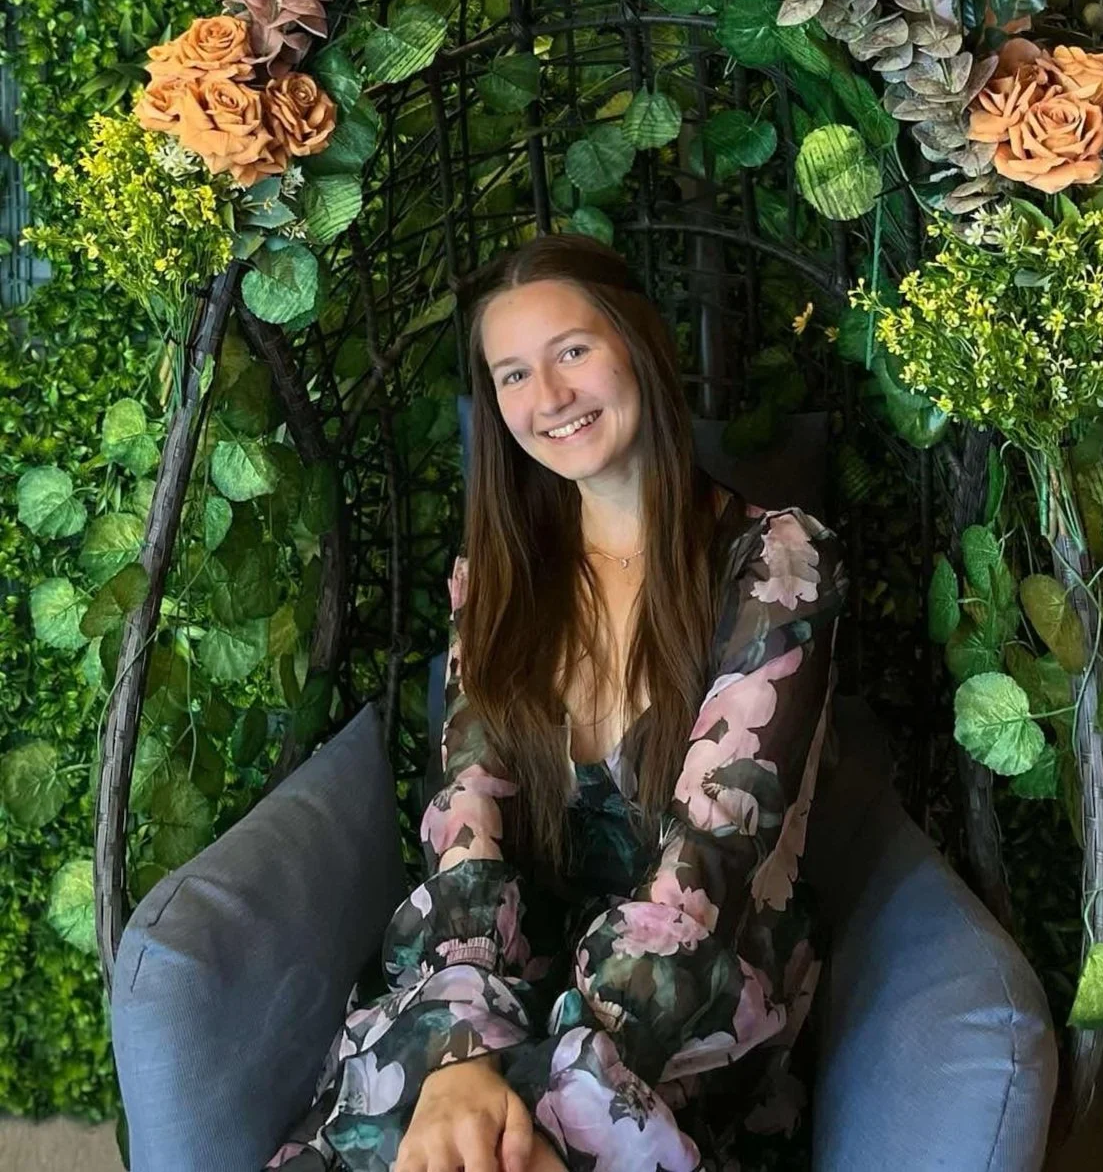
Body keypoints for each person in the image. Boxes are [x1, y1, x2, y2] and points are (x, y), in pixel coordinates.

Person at [265, 233, 850, 1172]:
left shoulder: (778, 562)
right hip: (516, 979)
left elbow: (712, 864)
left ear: (640, 343)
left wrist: (527, 1090)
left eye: (572, 350)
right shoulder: (497, 577)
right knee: (403, 1131)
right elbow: (467, 823)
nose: (548, 397)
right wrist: (459, 1050)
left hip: (689, 1001)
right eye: (513, 374)